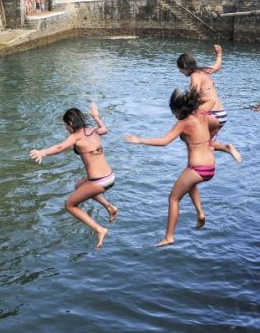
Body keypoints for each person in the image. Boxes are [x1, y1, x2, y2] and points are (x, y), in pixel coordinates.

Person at [126, 88, 215, 247]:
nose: (173, 115)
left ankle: (169, 236)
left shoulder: (183, 123)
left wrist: (140, 140)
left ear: (180, 110)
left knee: (173, 198)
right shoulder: (201, 114)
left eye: (174, 111)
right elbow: (212, 100)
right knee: (190, 185)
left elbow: (164, 141)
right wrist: (196, 100)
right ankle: (200, 213)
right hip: (210, 167)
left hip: (197, 168)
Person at [30, 102, 118, 249]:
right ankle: (109, 207)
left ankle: (100, 230)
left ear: (71, 123)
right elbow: (104, 129)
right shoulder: (91, 130)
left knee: (70, 205)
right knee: (78, 186)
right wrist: (96, 116)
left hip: (99, 182)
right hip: (110, 176)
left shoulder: (76, 137)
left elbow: (60, 147)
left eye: (66, 125)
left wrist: (42, 152)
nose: (66, 128)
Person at [176, 45, 242, 163]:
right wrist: (219, 54)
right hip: (221, 115)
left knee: (184, 134)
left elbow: (194, 92)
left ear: (185, 66)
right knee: (205, 144)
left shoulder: (194, 75)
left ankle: (224, 148)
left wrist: (182, 104)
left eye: (181, 69)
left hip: (212, 114)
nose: (181, 72)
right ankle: (212, 159)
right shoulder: (204, 71)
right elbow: (217, 66)